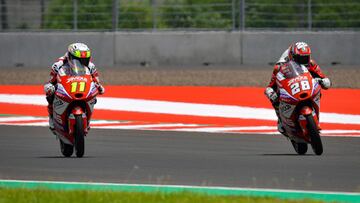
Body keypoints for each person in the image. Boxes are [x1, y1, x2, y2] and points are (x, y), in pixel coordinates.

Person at [264, 42, 331, 134]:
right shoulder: (279, 66)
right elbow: (270, 86)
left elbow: (323, 78)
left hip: (305, 85)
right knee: (273, 97)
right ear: (292, 56)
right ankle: (280, 120)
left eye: (306, 57)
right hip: (290, 85)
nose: (303, 61)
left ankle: (316, 115)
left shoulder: (311, 63)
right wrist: (271, 92)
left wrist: (324, 81)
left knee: (318, 89)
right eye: (300, 58)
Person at [44, 43, 105, 129]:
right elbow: (51, 81)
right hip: (66, 84)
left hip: (81, 85)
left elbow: (96, 80)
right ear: (71, 57)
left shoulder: (90, 66)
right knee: (50, 95)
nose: (82, 63)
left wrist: (99, 87)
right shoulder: (58, 64)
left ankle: (87, 119)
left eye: (85, 60)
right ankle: (51, 117)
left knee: (94, 97)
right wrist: (50, 86)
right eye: (79, 60)